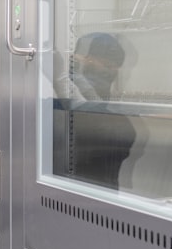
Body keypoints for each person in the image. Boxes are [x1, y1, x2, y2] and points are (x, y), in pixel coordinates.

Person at [53, 32, 137, 189]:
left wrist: (61, 76)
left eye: (112, 66)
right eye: (107, 65)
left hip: (98, 182)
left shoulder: (111, 117)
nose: (112, 71)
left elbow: (92, 107)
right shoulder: (75, 85)